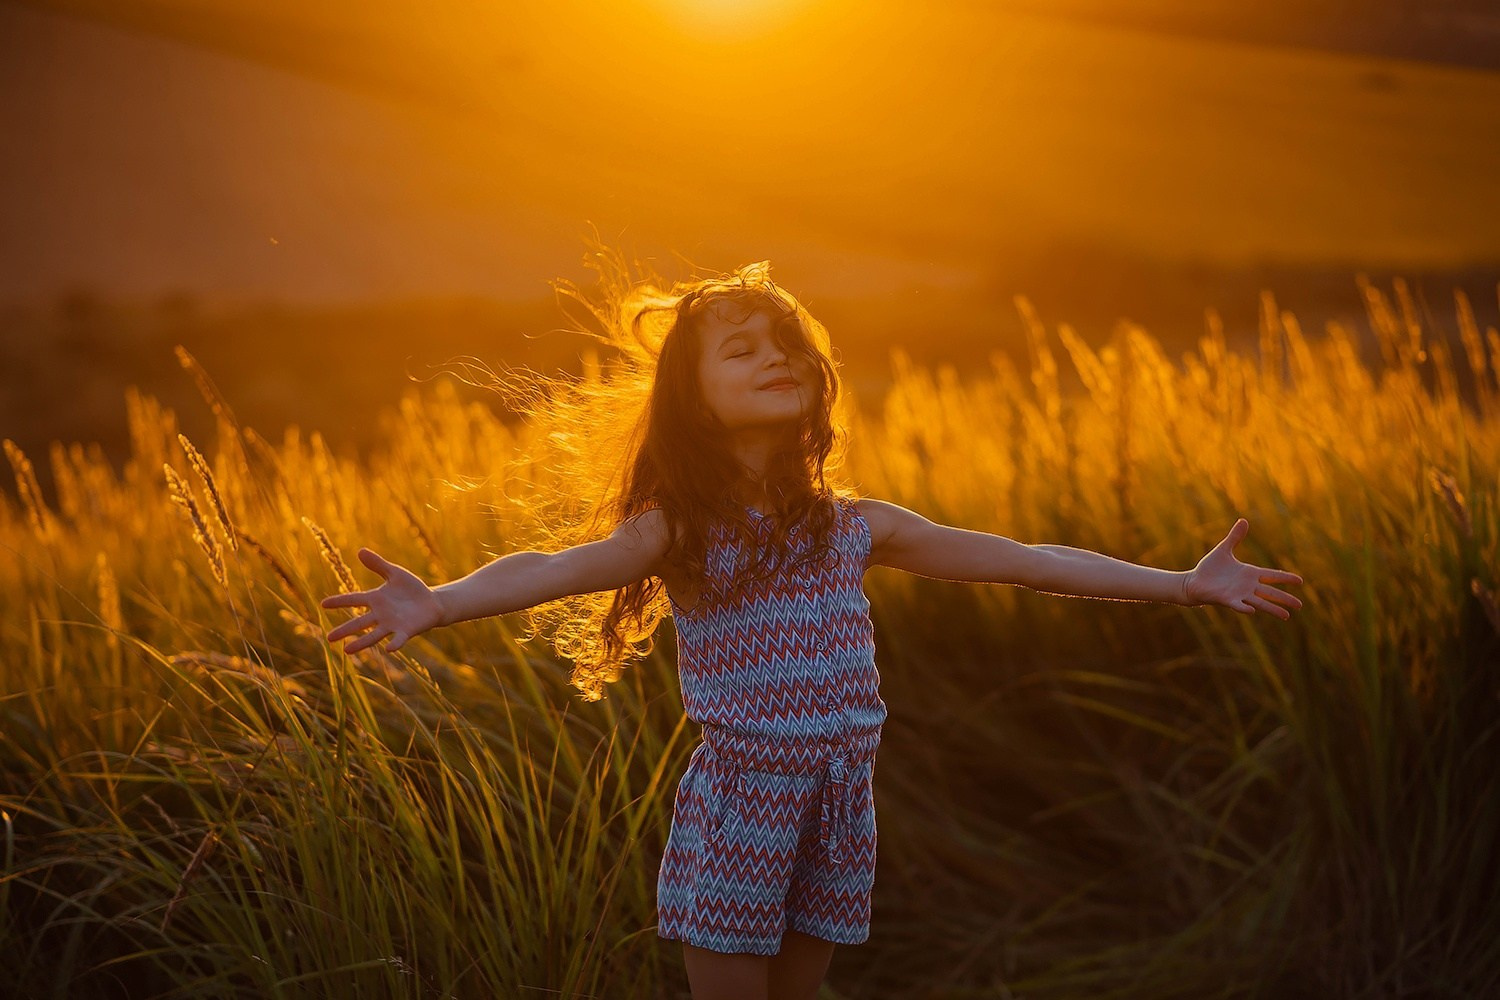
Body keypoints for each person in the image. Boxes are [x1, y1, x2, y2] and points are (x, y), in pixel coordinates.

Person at [319, 256, 1304, 1000]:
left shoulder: (853, 526)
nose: (772, 359)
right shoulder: (681, 528)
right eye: (739, 350)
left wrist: (1180, 584)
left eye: (786, 346)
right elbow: (557, 568)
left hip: (843, 793)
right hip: (748, 794)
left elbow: (1025, 559)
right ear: (692, 400)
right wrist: (438, 601)